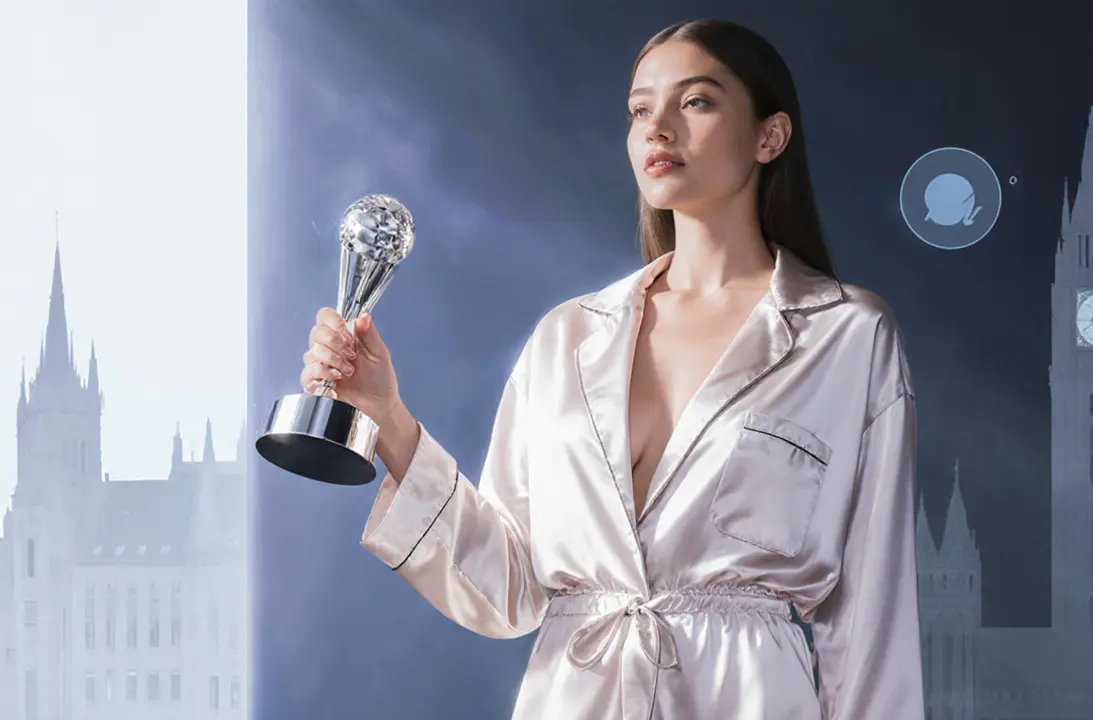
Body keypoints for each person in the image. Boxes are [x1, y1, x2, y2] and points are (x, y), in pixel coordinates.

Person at [301, 18, 924, 720]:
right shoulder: (567, 338)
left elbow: (872, 616)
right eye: (639, 109)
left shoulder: (844, 336)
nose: (657, 127)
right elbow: (507, 586)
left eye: (695, 102)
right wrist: (387, 416)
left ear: (769, 137)